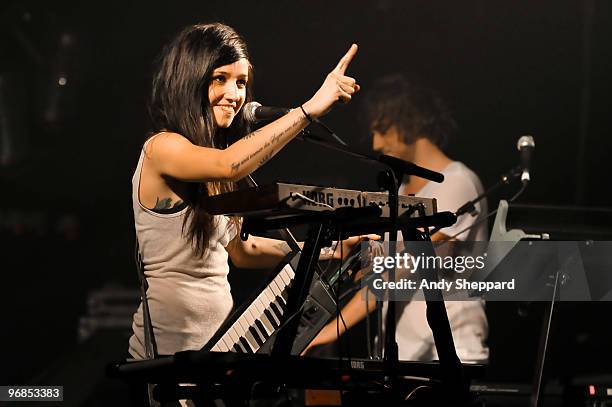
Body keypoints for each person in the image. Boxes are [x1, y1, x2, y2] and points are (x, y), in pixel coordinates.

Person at [128, 23, 364, 361]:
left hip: (219, 350)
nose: (235, 95)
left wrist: (330, 251)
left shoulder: (211, 159)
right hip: (166, 360)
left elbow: (242, 250)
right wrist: (308, 109)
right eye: (220, 79)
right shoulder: (161, 148)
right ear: (189, 81)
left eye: (241, 82)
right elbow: (230, 165)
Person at [307, 74, 489, 363]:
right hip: (399, 354)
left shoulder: (458, 183)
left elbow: (410, 266)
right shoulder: (401, 192)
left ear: (412, 121)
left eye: (383, 130)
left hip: (447, 353)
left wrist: (329, 331)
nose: (377, 143)